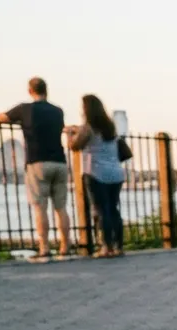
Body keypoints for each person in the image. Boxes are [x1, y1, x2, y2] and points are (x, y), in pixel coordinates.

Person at [0, 77, 70, 261]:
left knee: (40, 208)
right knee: (61, 208)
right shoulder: (58, 111)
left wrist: (17, 122)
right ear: (46, 90)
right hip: (60, 162)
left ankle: (44, 248)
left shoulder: (25, 109)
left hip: (38, 162)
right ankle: (65, 247)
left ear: (30, 91)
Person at [63, 94, 124, 258]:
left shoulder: (88, 127)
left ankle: (106, 247)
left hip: (96, 173)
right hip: (116, 173)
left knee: (100, 210)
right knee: (113, 209)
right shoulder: (110, 126)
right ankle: (118, 246)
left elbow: (75, 145)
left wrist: (69, 133)